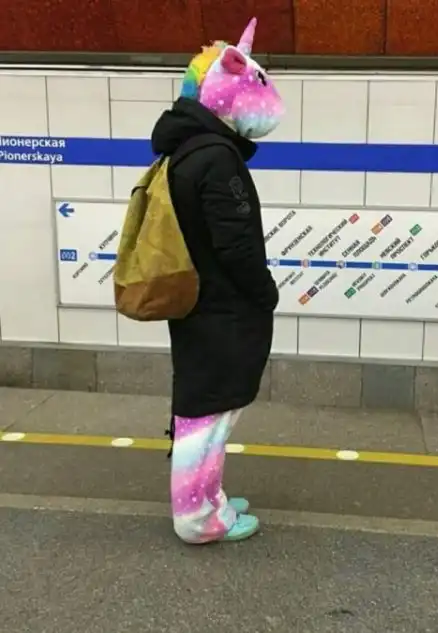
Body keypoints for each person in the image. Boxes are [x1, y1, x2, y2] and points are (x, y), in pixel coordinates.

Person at [150, 18, 284, 544]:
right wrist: (265, 293)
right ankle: (198, 519)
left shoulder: (188, 150)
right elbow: (236, 246)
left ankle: (208, 500)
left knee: (208, 410)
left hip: (201, 308)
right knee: (207, 417)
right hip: (221, 312)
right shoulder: (216, 159)